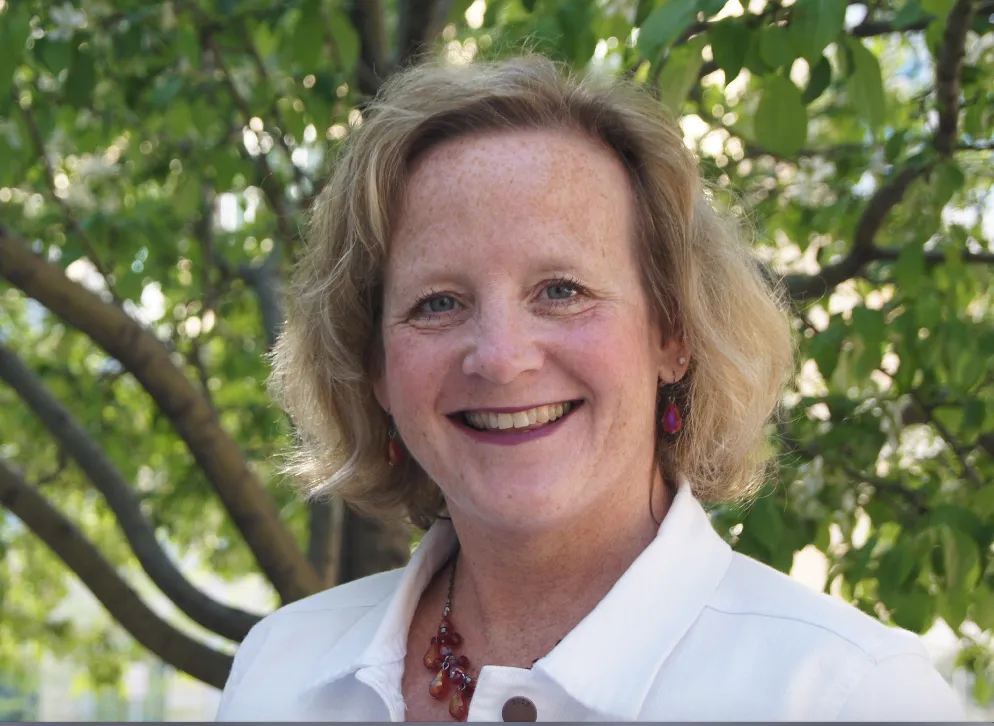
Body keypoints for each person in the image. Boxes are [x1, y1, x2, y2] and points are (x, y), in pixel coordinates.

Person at [215, 55, 964, 722]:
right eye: (437, 302)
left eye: (562, 290)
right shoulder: (279, 672)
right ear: (374, 365)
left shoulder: (849, 696)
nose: (502, 359)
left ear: (674, 333)